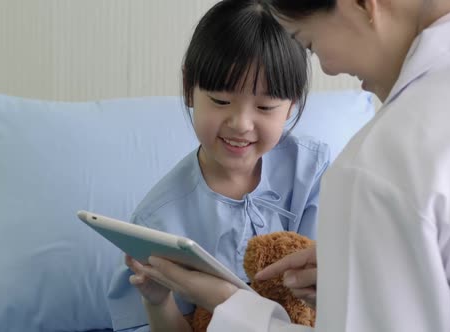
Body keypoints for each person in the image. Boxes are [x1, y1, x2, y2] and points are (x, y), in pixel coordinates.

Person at [131, 0, 450, 331]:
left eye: (310, 43)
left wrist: (229, 305)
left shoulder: (370, 171)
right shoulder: (160, 213)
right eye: (221, 100)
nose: (329, 68)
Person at [106, 0, 330, 331]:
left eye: (265, 107)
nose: (241, 124)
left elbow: (339, 298)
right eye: (221, 101)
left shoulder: (312, 172)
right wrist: (158, 301)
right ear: (189, 90)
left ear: (292, 104)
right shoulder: (159, 220)